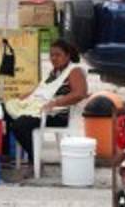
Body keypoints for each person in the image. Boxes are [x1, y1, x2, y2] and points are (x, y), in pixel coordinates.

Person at [5, 39, 89, 177]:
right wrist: (23, 97)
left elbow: (80, 93)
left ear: (67, 56)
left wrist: (56, 103)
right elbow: (41, 90)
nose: (53, 58)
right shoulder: (54, 72)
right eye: (51, 55)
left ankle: (36, 160)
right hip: (42, 108)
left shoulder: (75, 71)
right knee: (4, 111)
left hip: (57, 115)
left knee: (20, 125)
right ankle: (5, 154)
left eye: (58, 55)